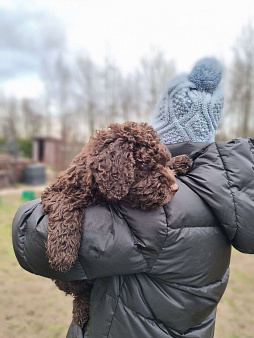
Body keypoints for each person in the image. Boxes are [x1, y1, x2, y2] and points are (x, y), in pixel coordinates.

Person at [12, 58, 254, 338]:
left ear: (163, 128)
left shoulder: (160, 211)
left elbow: (34, 243)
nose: (171, 184)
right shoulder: (221, 192)